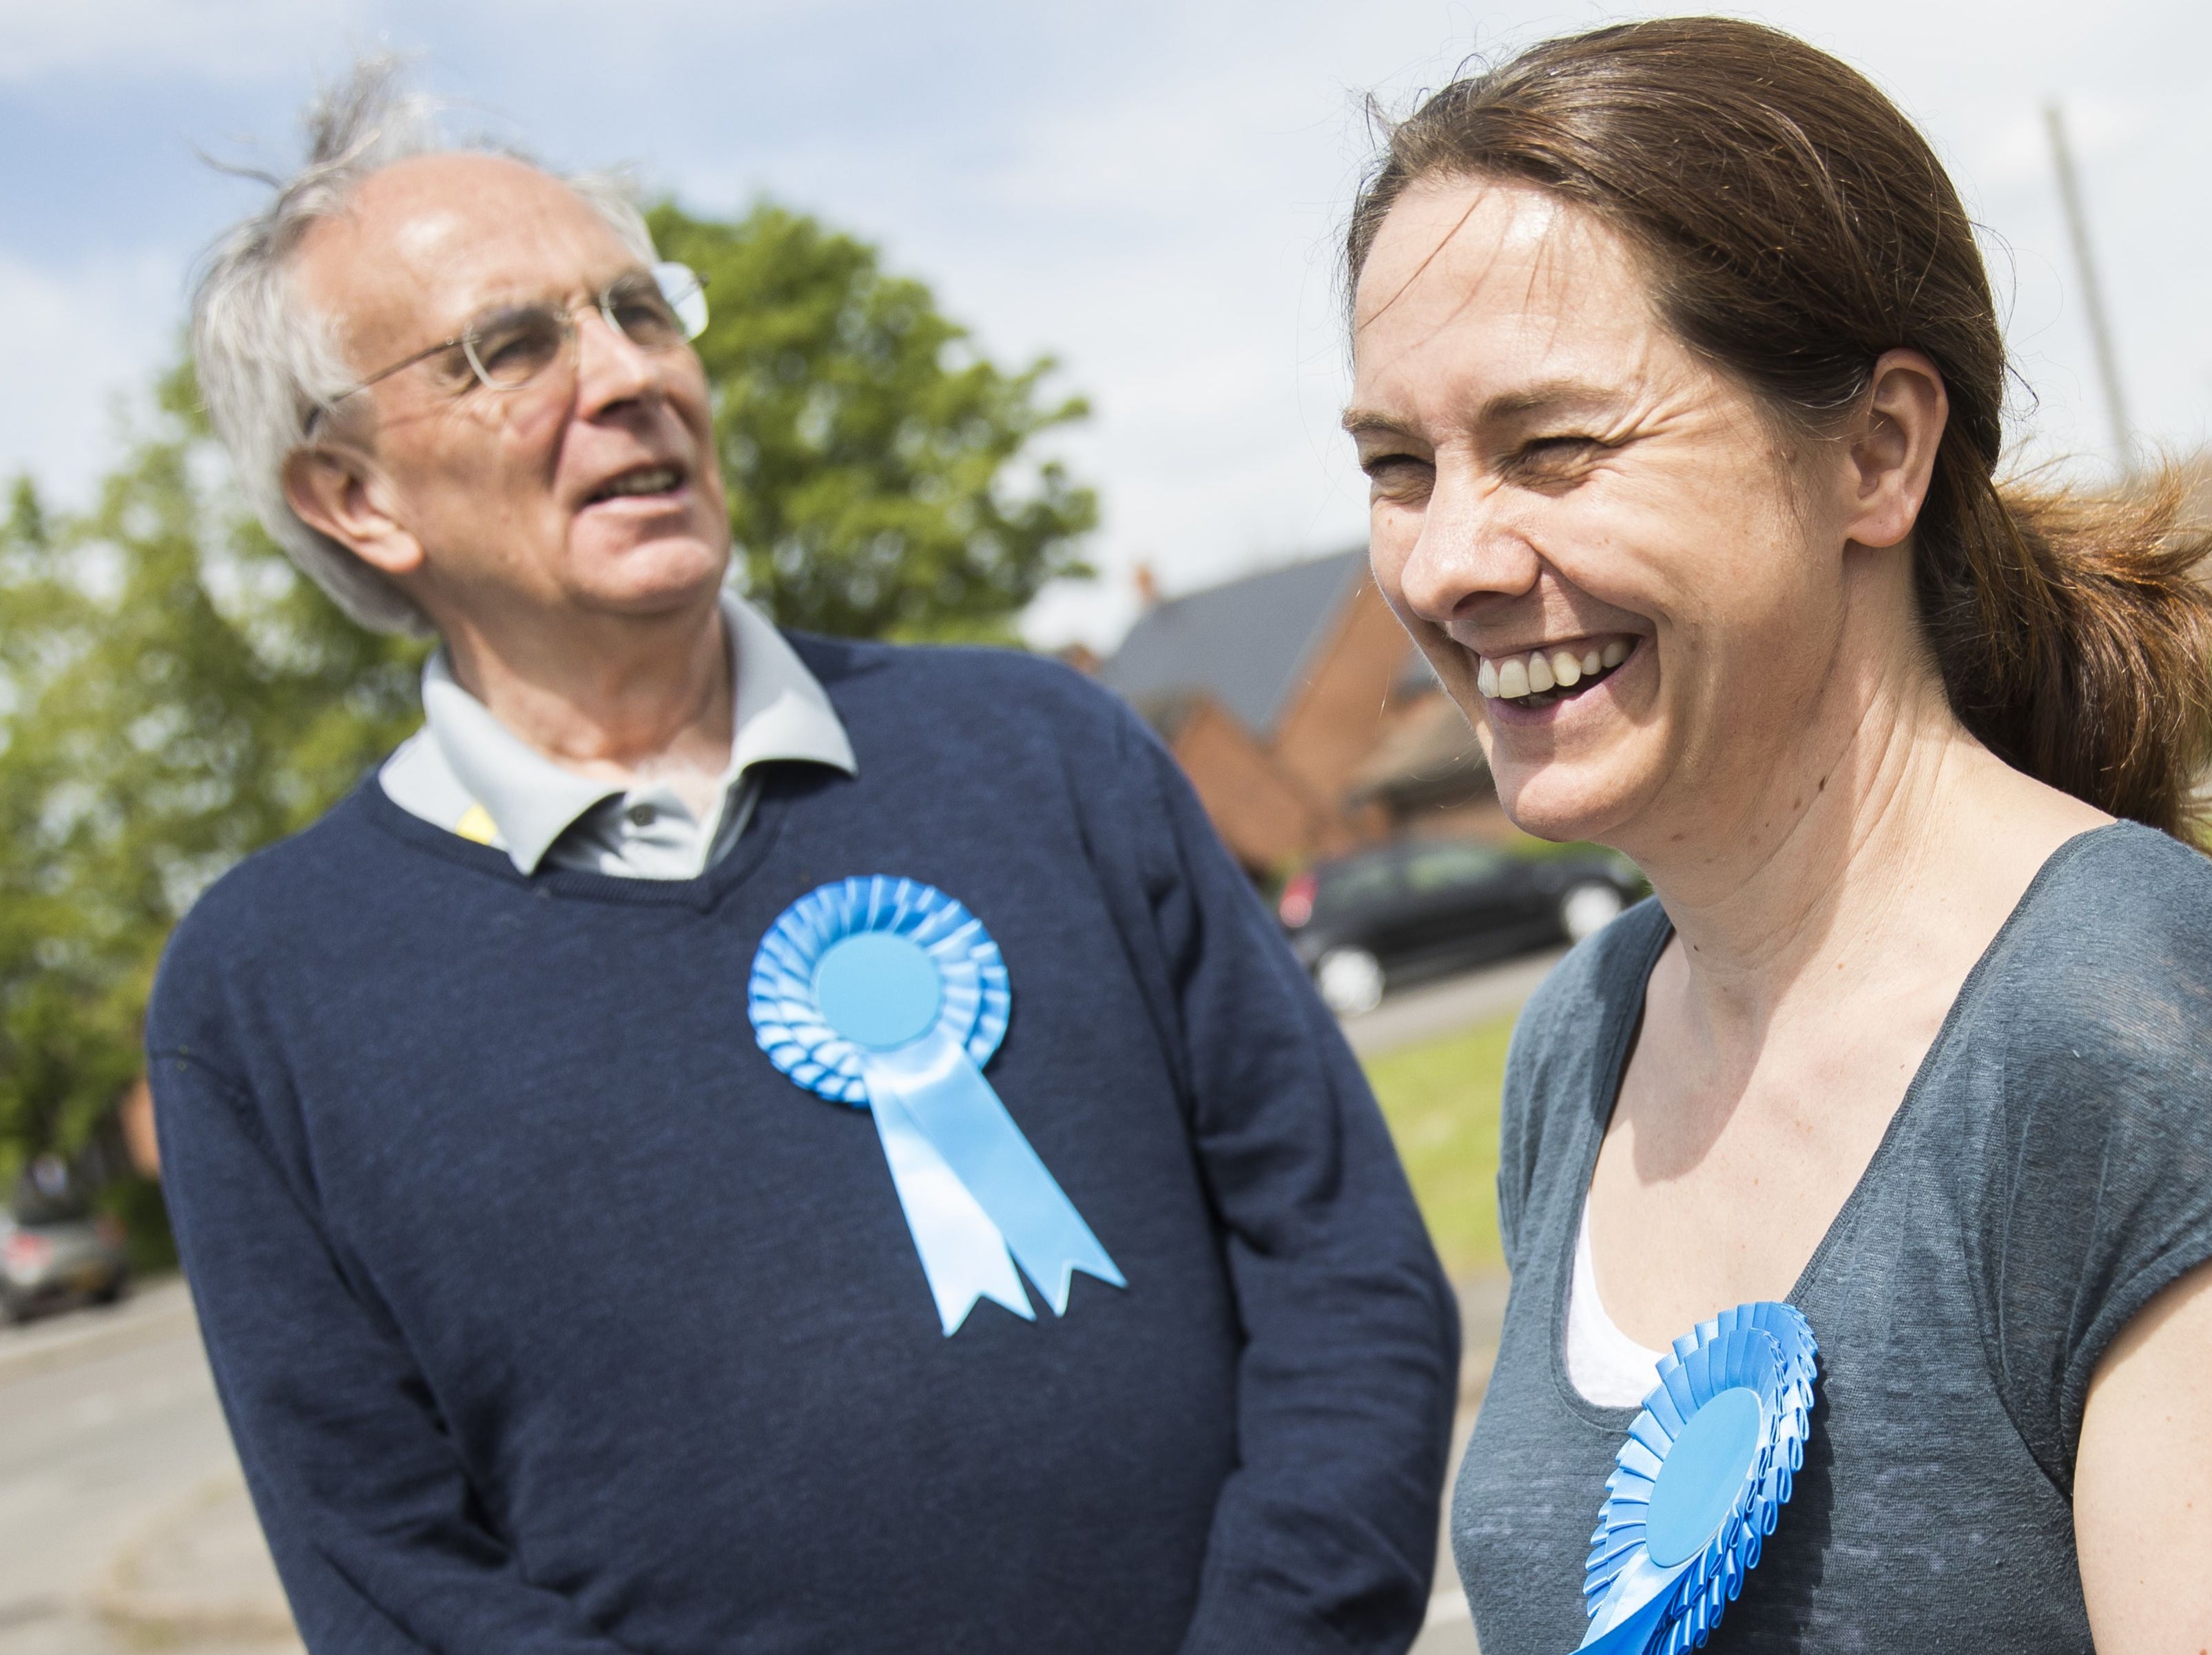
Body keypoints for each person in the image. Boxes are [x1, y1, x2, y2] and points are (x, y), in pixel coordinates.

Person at [152, 64, 1458, 1655]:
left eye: (640, 307)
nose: (629, 372)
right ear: (352, 496)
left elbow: (1342, 1266)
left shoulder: (1046, 748)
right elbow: (391, 1576)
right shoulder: (262, 992)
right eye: (511, 345)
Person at [1342, 19, 2212, 1654]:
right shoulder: (1579, 1042)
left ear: (1876, 453)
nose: (1446, 561)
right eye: (1395, 465)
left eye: (1550, 445)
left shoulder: (2144, 1047)